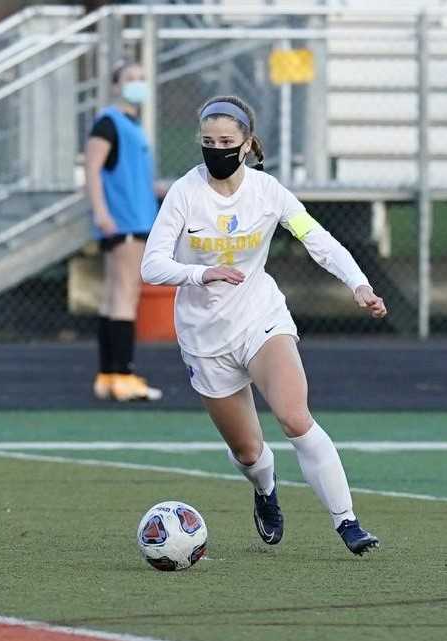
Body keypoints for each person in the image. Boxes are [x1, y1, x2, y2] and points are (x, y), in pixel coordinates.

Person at [141, 95, 387, 555]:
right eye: (208, 141)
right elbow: (152, 265)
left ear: (246, 143)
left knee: (295, 418)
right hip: (204, 338)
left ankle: (347, 523)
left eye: (226, 141)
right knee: (250, 453)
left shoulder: (267, 191)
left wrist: (359, 285)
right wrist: (201, 272)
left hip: (261, 318)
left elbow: (317, 238)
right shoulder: (185, 192)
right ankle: (265, 488)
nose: (216, 149)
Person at [84, 60, 163, 403]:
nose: (137, 83)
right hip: (124, 222)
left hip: (138, 219)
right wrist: (102, 213)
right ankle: (124, 374)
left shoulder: (132, 126)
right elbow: (92, 170)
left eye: (142, 78)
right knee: (124, 296)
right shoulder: (109, 123)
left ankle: (109, 375)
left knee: (115, 295)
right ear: (116, 84)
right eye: (130, 78)